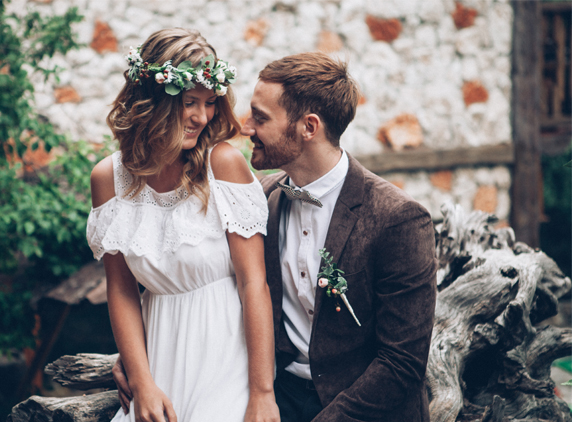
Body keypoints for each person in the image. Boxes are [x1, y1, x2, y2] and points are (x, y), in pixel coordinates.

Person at [87, 28, 279, 422]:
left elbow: (253, 283)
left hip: (230, 356)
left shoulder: (222, 163)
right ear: (151, 100)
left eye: (210, 103)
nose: (201, 116)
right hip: (158, 358)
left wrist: (262, 393)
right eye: (189, 102)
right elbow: (121, 290)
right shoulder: (108, 178)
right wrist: (142, 382)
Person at [244, 53, 437, 421]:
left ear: (309, 127)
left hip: (365, 406)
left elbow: (402, 364)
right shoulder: (260, 199)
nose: (246, 126)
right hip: (277, 398)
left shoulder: (399, 219)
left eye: (260, 117)